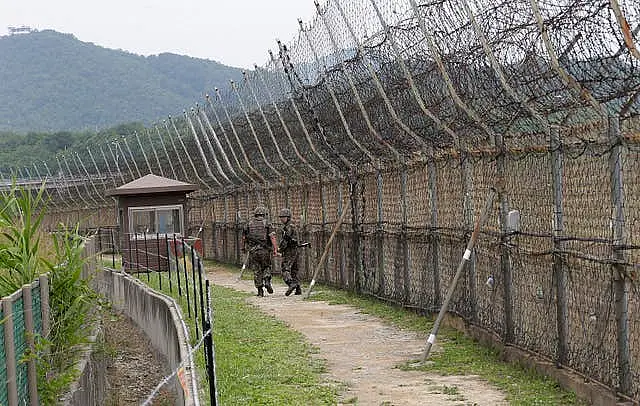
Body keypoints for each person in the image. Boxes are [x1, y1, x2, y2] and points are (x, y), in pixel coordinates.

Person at [242, 205, 277, 297]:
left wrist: (244, 248)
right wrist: (275, 249)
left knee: (257, 270)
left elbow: (244, 238)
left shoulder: (248, 224)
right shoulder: (267, 223)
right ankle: (267, 280)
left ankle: (260, 291)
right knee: (267, 266)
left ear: (255, 214)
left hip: (253, 251)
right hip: (264, 250)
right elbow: (272, 237)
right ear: (264, 214)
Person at [278, 207, 302, 296]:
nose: (281, 219)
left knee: (285, 268)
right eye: (280, 217)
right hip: (295, 250)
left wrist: (280, 249)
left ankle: (291, 283)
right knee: (294, 270)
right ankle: (298, 289)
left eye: (283, 217)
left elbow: (286, 240)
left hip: (290, 250)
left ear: (288, 217)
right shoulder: (291, 226)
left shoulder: (288, 227)